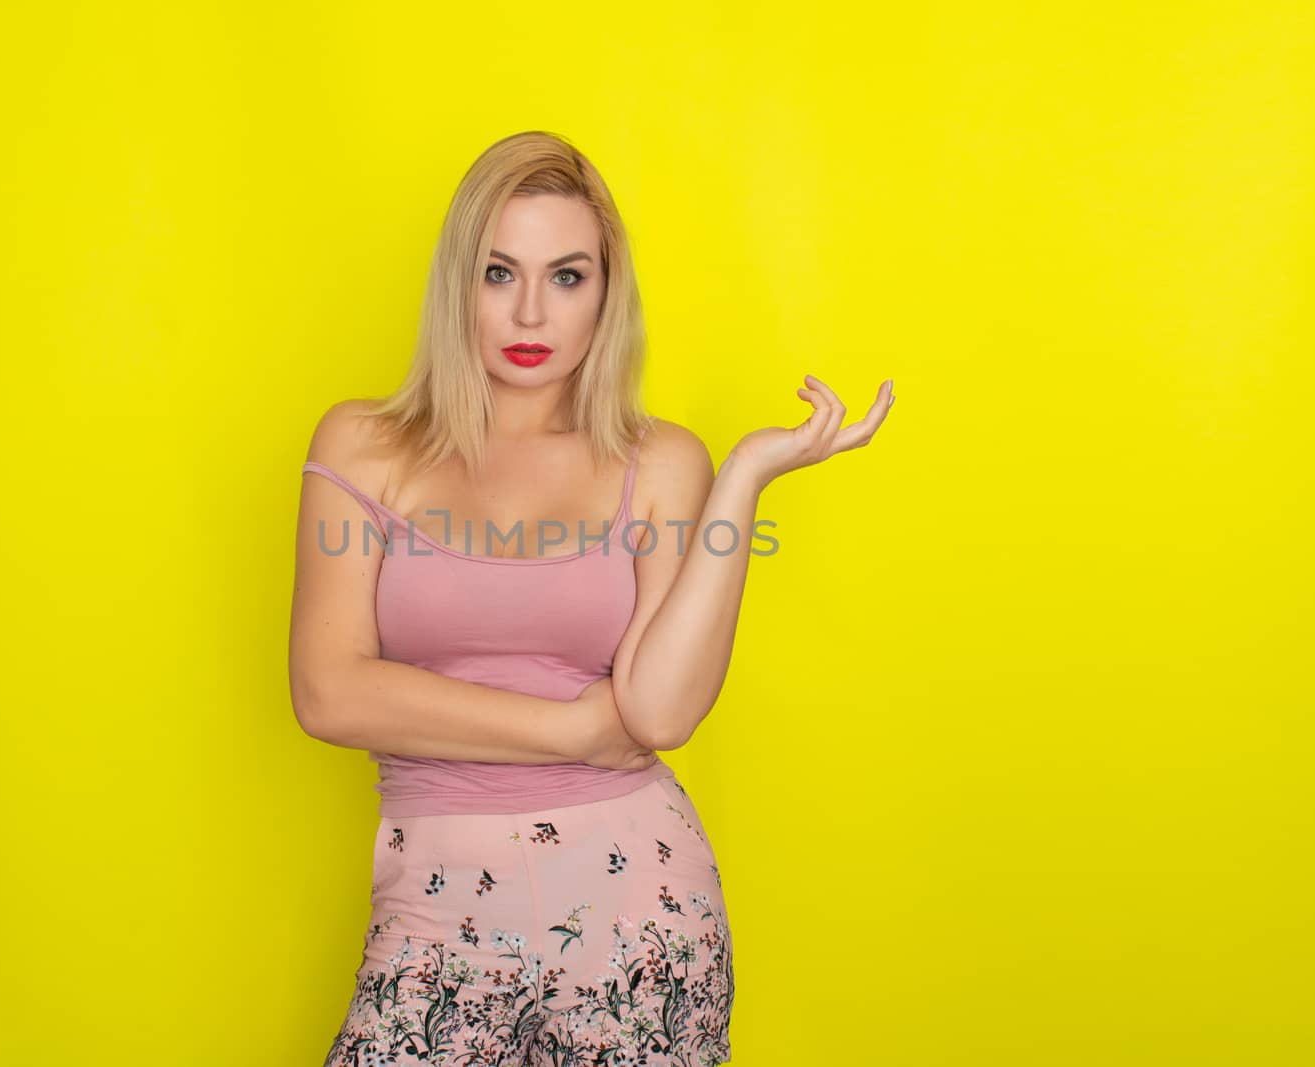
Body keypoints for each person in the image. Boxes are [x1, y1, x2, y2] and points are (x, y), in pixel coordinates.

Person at [291, 130, 894, 1067]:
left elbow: (659, 710)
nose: (532, 309)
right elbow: (328, 692)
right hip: (435, 911)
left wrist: (742, 479)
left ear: (608, 293)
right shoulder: (363, 444)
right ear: (460, 283)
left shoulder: (659, 462)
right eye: (500, 272)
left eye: (568, 276)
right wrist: (570, 730)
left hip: (641, 913)